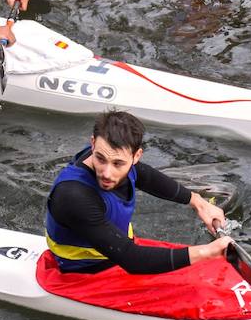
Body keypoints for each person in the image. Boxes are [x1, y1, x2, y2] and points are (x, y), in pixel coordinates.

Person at [44, 110, 229, 275]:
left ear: (136, 156)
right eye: (100, 159)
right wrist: (207, 251)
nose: (107, 173)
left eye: (118, 163)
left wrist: (198, 202)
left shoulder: (121, 160)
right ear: (93, 144)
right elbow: (132, 260)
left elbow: (144, 176)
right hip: (86, 273)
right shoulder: (73, 196)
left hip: (117, 251)